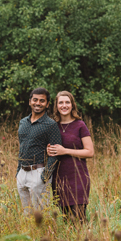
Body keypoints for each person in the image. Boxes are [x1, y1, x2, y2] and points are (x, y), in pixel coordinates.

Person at [47, 90, 94, 222]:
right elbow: (49, 150)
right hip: (59, 179)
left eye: (67, 102)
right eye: (61, 102)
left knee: (79, 220)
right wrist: (48, 150)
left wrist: (65, 151)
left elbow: (90, 152)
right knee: (67, 222)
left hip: (78, 178)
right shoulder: (52, 126)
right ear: (56, 106)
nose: (64, 105)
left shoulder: (80, 125)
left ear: (72, 105)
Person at [16, 87, 60, 214]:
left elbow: (55, 153)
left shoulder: (50, 125)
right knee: (26, 215)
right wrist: (18, 172)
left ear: (47, 104)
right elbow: (22, 147)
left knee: (40, 216)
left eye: (42, 101)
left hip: (38, 173)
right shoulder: (23, 122)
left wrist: (44, 176)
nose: (38, 103)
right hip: (22, 173)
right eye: (35, 100)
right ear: (30, 101)